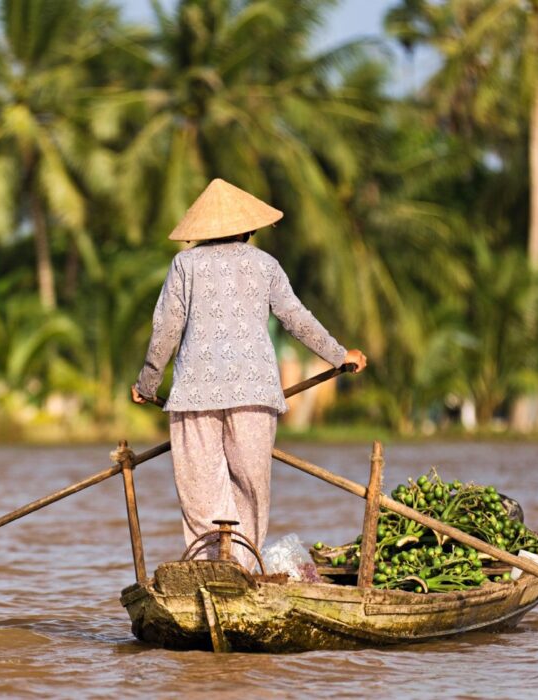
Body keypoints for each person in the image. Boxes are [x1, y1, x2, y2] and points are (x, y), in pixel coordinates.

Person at [131, 178, 366, 569]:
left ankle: (211, 568)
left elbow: (166, 330)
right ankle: (240, 568)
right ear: (248, 229)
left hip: (195, 395)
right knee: (251, 488)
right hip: (254, 394)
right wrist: (341, 355)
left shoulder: (184, 265)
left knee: (201, 489)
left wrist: (147, 383)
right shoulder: (265, 265)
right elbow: (296, 319)